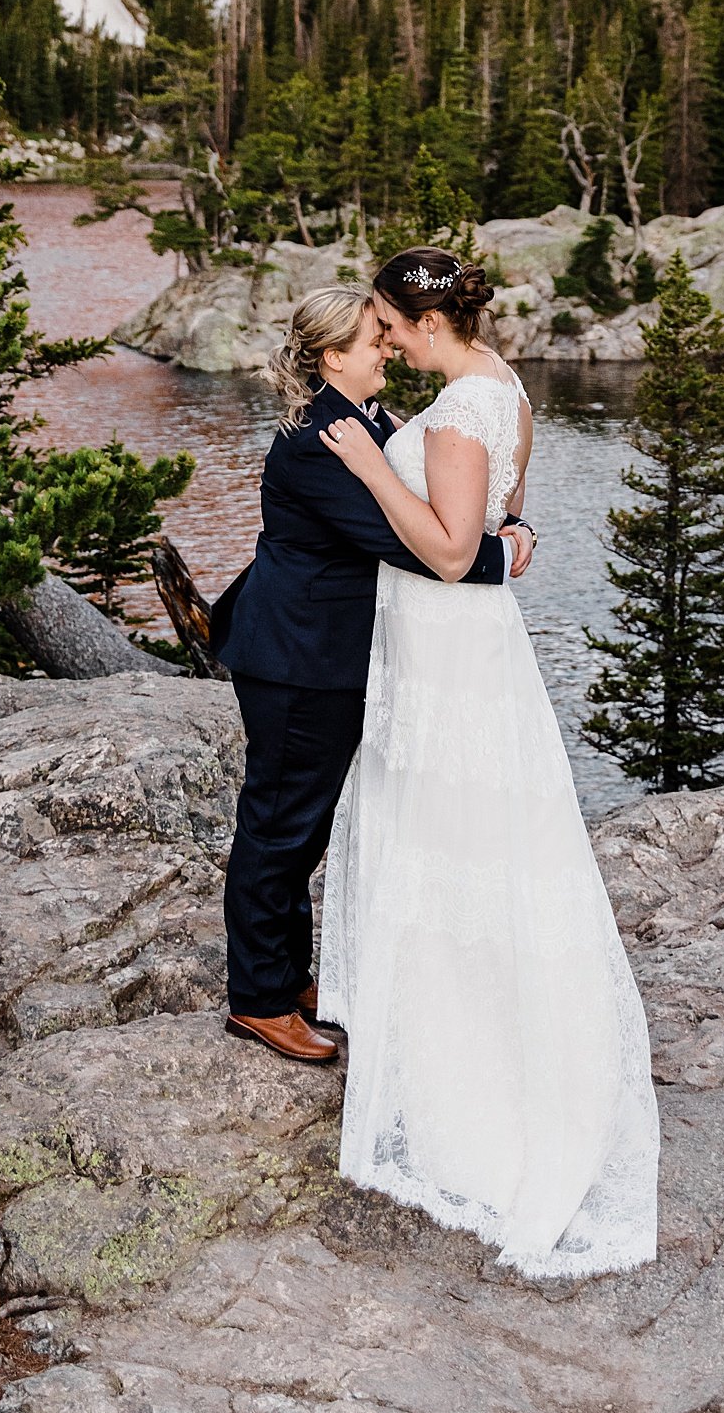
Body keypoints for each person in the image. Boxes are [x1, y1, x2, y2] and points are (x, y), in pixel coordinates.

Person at [318, 247, 659, 1280]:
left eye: (387, 324)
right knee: (457, 833)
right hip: (457, 642)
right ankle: (437, 1029)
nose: (380, 339)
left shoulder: (463, 408)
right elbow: (514, 525)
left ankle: (469, 1072)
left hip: (447, 642)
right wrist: (517, 541)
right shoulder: (503, 381)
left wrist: (374, 465)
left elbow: (456, 547)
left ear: (426, 327)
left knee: (450, 832)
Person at [211, 285, 535, 1065]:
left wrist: (506, 515)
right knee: (279, 822)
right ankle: (258, 998)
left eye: (387, 336)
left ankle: (286, 975)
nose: (387, 347)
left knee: (305, 822)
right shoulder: (317, 440)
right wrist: (502, 554)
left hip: (326, 651)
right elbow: (395, 538)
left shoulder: (358, 419)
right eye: (371, 340)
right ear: (332, 357)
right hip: (297, 656)